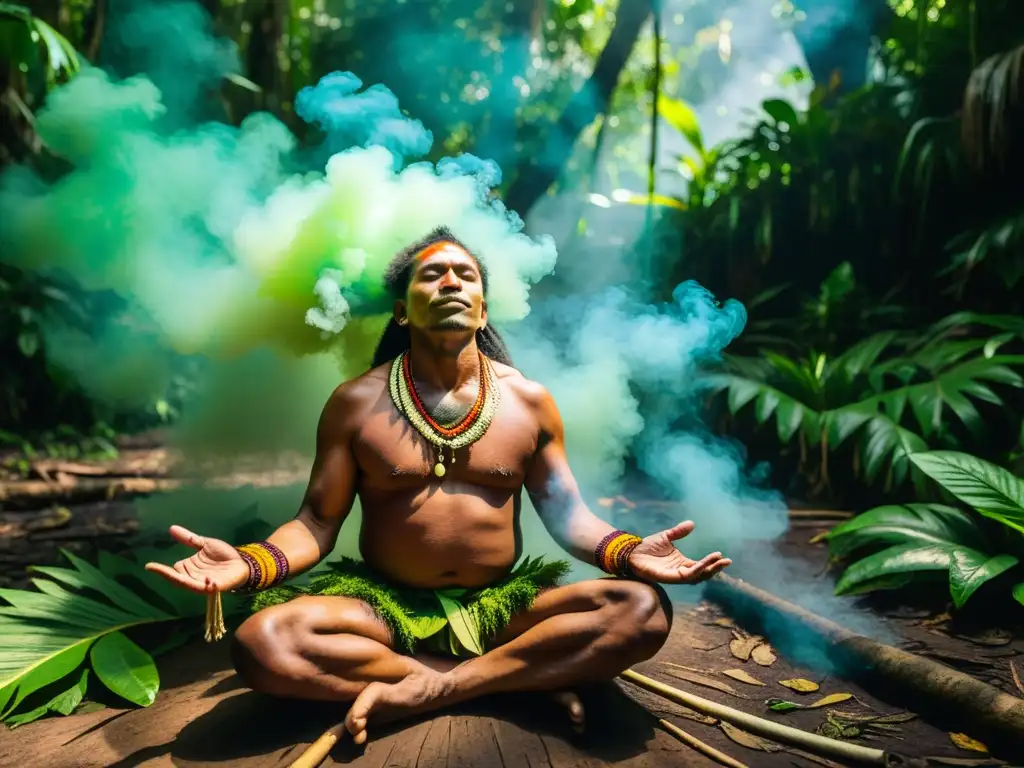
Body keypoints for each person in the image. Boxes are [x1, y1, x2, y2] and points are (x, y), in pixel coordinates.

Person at [145, 226, 732, 745]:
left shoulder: (529, 402)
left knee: (641, 609)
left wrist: (631, 552)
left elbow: (568, 517)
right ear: (402, 311)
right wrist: (248, 565)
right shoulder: (355, 403)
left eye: (465, 274)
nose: (451, 280)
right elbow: (317, 523)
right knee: (263, 642)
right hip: (384, 614)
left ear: (482, 309)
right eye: (433, 274)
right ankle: (509, 680)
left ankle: (427, 686)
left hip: (501, 609)